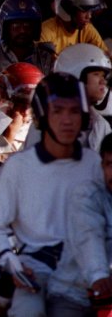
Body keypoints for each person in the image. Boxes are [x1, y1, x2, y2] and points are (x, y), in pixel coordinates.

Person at [0, 73, 103, 317]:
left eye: (74, 111)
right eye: (57, 111)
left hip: (78, 272)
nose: (67, 120)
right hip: (32, 268)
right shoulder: (18, 167)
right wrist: (11, 263)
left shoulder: (94, 164)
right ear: (42, 116)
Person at [46, 134, 112, 315]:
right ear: (102, 166)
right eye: (109, 164)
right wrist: (99, 275)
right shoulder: (87, 195)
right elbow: (89, 235)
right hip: (73, 295)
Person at [0, 0, 56, 103]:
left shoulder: (46, 58)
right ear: (6, 28)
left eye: (27, 26)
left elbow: (55, 96)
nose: (22, 31)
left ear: (35, 29)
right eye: (16, 26)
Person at [40, 0, 108, 55]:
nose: (89, 16)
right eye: (84, 11)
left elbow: (105, 57)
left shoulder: (87, 29)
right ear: (68, 9)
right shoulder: (46, 31)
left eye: (90, 11)